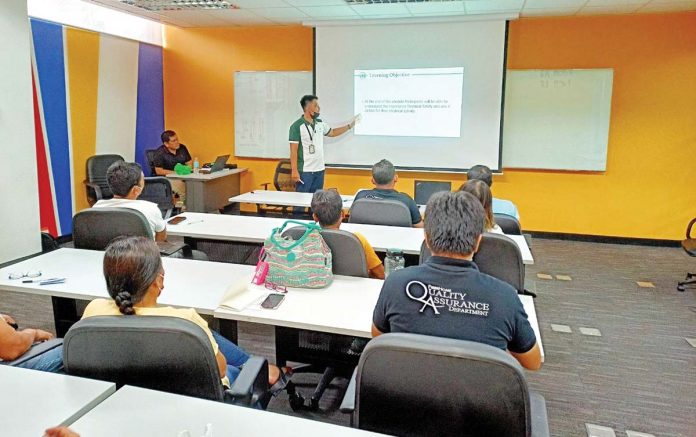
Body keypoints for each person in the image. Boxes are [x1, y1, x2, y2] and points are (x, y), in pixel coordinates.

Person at [81, 236, 291, 389]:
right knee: (234, 362)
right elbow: (220, 370)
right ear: (158, 281)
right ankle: (261, 368)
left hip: (126, 396)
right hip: (195, 399)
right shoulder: (184, 321)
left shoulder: (94, 309)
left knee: (209, 335)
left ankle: (254, 362)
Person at [371, 191, 541, 370]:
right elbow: (532, 362)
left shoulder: (395, 283)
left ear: (427, 240)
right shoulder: (505, 296)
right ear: (477, 242)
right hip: (476, 396)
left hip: (402, 393)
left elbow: (379, 337)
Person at [288, 95, 358, 194]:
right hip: (305, 171)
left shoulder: (320, 123)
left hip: (319, 170)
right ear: (308, 108)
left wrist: (350, 126)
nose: (319, 108)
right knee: (300, 204)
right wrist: (294, 170)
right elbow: (293, 151)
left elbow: (333, 132)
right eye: (316, 105)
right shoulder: (296, 126)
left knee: (317, 202)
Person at [310, 190, 385, 279]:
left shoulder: (307, 239)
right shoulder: (357, 239)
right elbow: (380, 274)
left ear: (315, 217)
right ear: (343, 214)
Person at [93, 161, 167, 242]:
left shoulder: (96, 208)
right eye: (143, 180)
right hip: (142, 254)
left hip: (105, 254)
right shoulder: (151, 209)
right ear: (136, 190)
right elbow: (161, 240)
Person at [354, 159, 423, 228]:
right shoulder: (406, 201)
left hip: (366, 238)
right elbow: (420, 228)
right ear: (396, 178)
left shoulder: (361, 196)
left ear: (373, 180)